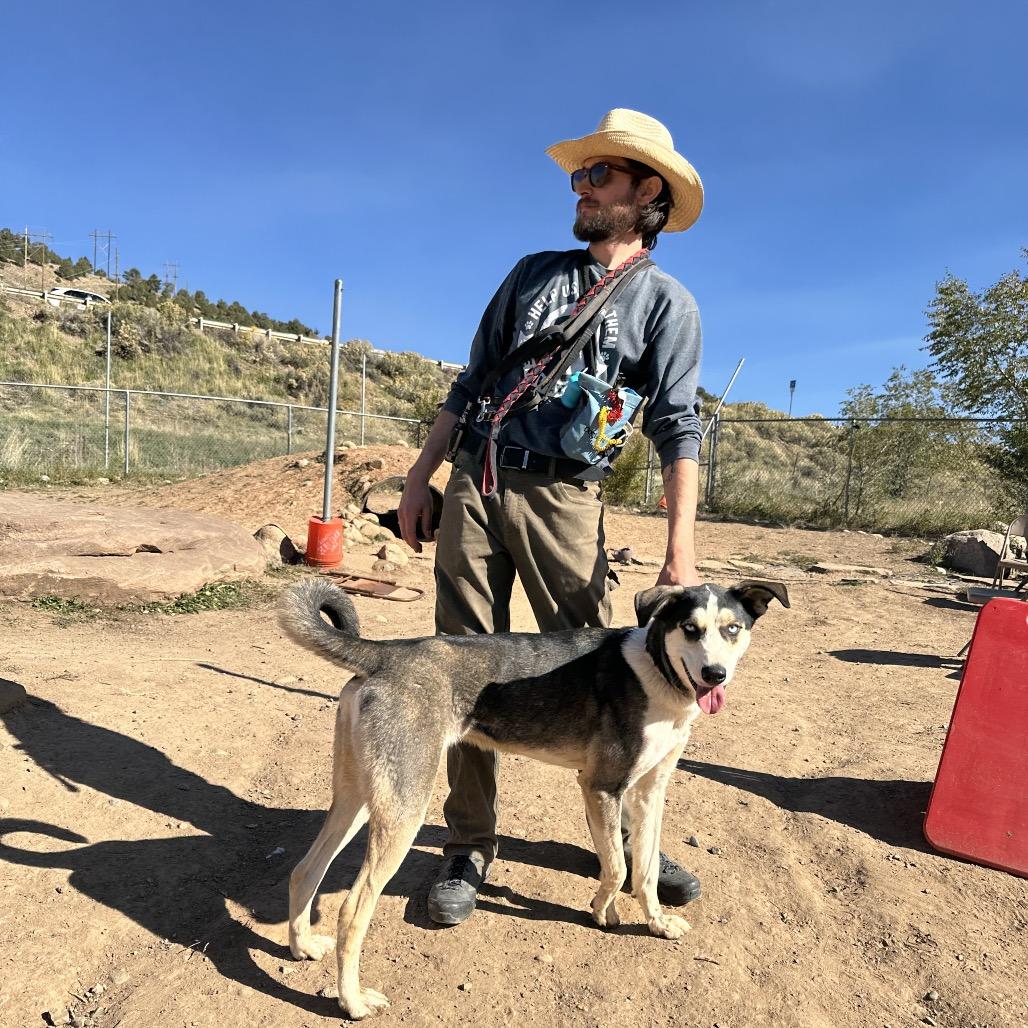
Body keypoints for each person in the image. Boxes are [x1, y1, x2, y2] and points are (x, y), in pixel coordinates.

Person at [397, 108, 705, 926]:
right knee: (459, 661)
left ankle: (629, 836)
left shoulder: (666, 304)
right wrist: (420, 478)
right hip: (476, 481)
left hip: (568, 499)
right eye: (580, 175)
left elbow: (678, 426)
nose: (580, 188)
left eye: (596, 176)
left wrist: (681, 555)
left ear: (648, 192)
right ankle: (467, 841)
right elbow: (469, 384)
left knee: (595, 668)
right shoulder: (533, 272)